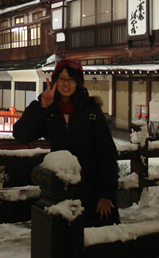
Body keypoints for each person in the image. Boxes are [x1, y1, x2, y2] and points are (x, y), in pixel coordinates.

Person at [13, 59, 120, 227]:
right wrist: (41, 106)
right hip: (60, 190)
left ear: (78, 83)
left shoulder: (91, 110)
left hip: (92, 189)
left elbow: (107, 153)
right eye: (61, 78)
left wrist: (106, 195)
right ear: (55, 81)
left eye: (71, 79)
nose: (66, 83)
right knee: (61, 244)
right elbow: (21, 135)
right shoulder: (49, 110)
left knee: (94, 243)